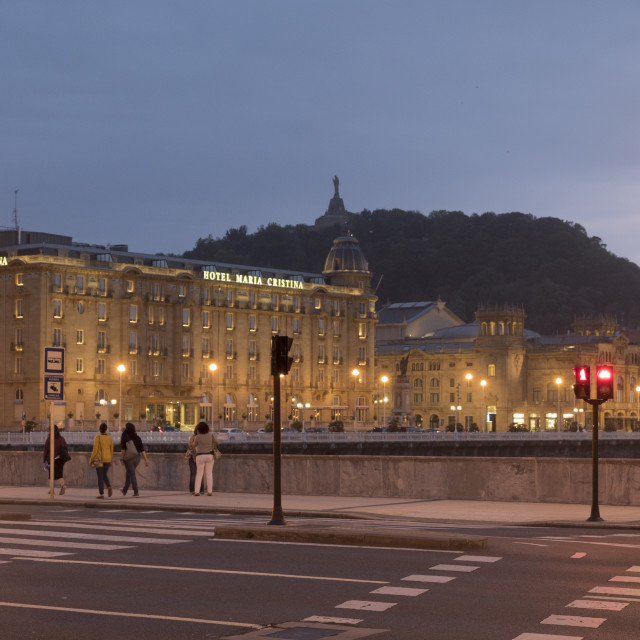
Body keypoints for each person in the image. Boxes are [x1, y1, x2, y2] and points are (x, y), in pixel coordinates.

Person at [120, 422, 149, 497]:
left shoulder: (125, 436)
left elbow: (123, 449)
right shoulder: (137, 437)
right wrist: (146, 460)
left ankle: (136, 492)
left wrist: (122, 459)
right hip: (137, 457)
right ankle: (124, 490)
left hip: (129, 457)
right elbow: (142, 449)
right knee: (128, 473)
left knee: (131, 473)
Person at [192, 421, 219, 496]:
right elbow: (217, 442)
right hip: (209, 455)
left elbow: (193, 446)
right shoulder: (210, 435)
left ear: (199, 429)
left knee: (199, 474)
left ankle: (197, 491)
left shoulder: (197, 437)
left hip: (200, 455)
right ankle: (209, 491)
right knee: (209, 474)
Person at [90, 423, 114, 499]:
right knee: (104, 475)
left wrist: (91, 460)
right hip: (107, 459)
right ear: (106, 429)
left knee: (100, 477)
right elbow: (111, 450)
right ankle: (109, 485)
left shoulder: (97, 437)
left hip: (99, 459)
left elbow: (95, 450)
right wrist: (110, 461)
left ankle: (101, 494)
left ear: (100, 429)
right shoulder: (110, 438)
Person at [42, 425, 68, 495]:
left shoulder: (49, 439)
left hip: (52, 460)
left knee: (50, 476)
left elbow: (46, 451)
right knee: (59, 475)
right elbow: (66, 448)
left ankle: (52, 490)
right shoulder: (62, 439)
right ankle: (63, 486)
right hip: (60, 459)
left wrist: (44, 460)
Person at [186, 427, 198, 494]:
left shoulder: (192, 437)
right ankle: (200, 489)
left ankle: (192, 490)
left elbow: (189, 446)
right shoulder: (198, 438)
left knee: (193, 473)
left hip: (192, 456)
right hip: (197, 456)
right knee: (199, 474)